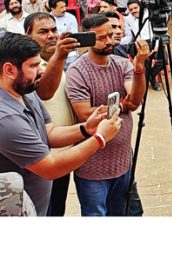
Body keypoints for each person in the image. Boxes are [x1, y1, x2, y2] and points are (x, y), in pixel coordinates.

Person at [0, 33, 121, 216]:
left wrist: (86, 129)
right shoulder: (6, 119)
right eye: (33, 66)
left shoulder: (26, 92)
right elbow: (51, 168)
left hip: (36, 204)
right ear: (9, 70)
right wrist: (100, 138)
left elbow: (49, 132)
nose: (41, 70)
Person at [65, 14, 150, 216]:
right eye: (101, 37)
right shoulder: (77, 71)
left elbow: (135, 101)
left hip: (123, 161)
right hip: (92, 166)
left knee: (121, 215)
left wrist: (139, 69)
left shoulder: (122, 64)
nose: (109, 41)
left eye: (111, 35)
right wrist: (123, 105)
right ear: (87, 39)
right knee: (96, 215)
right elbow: (85, 113)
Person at [24, 13, 82, 216]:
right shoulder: (29, 66)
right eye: (43, 31)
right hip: (42, 157)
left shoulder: (56, 62)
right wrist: (60, 55)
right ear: (28, 34)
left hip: (62, 152)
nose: (51, 35)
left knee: (57, 210)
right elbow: (45, 92)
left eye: (54, 30)